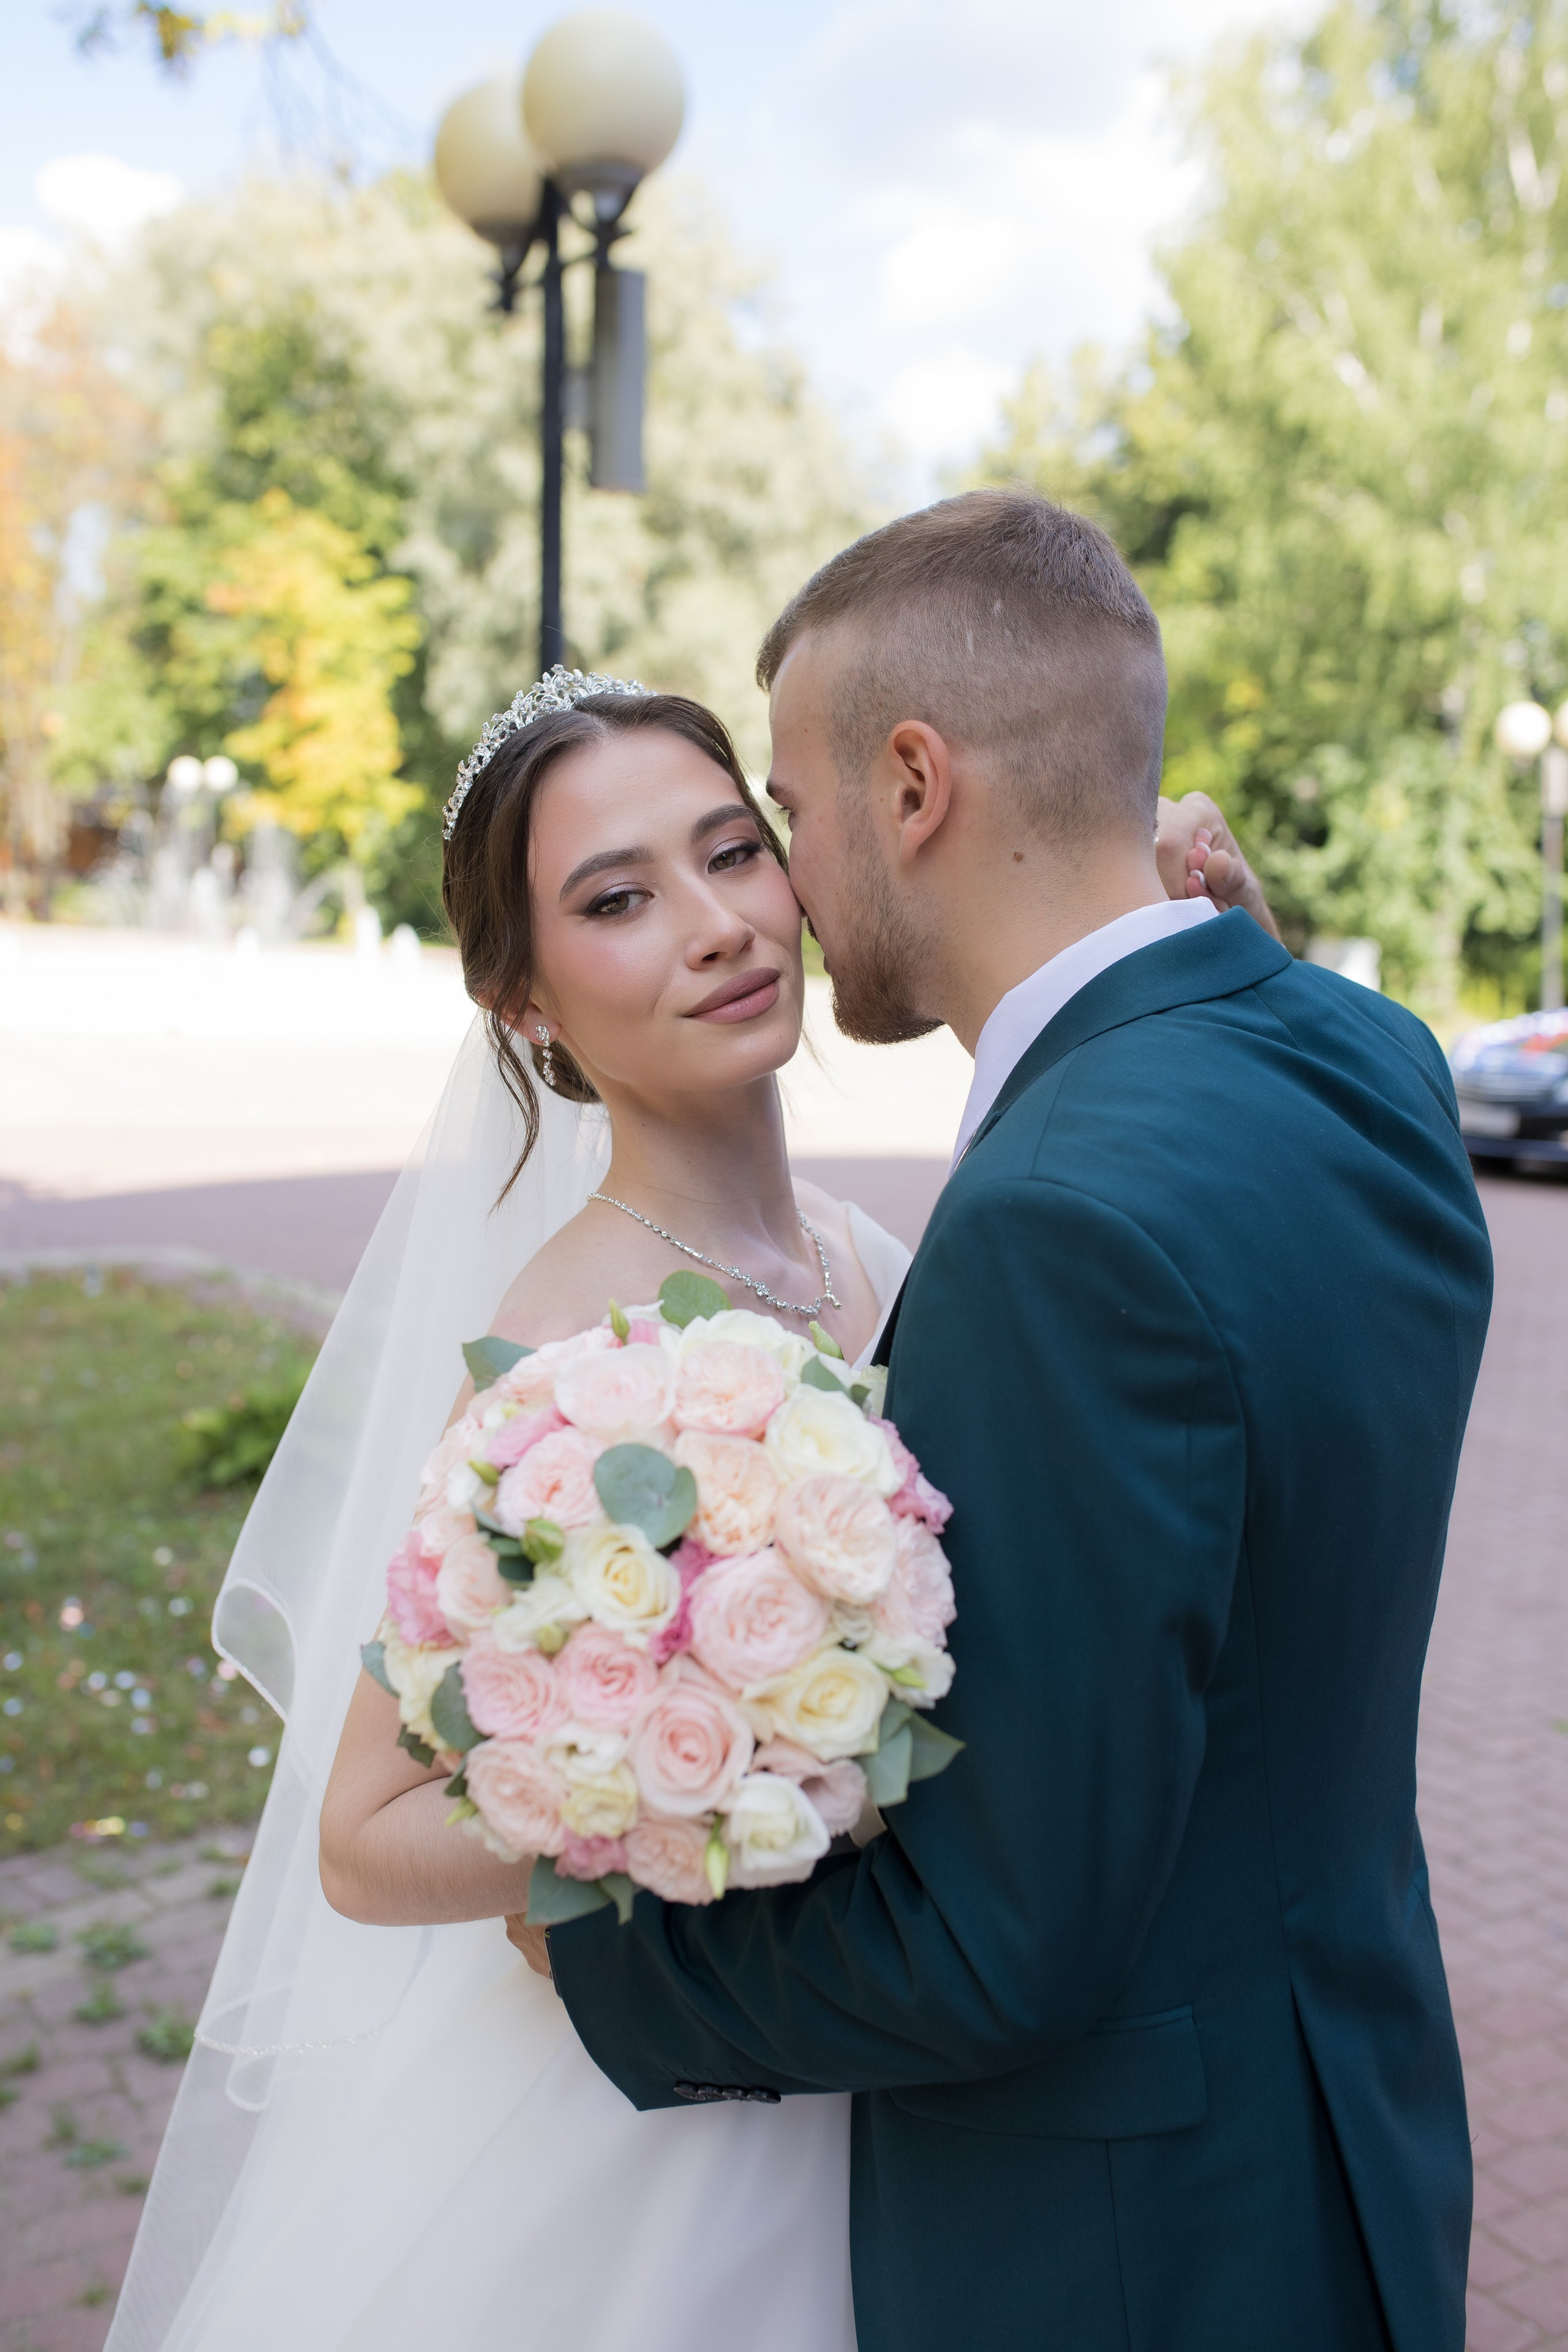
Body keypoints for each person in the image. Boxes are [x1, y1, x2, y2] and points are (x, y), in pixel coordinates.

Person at [104, 603, 1272, 2351]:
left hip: (898, 2062)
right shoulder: (562, 1347)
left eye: (736, 850)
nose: (717, 925)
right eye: (618, 899)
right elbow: (364, 1833)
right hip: (657, 2138)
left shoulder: (890, 1258)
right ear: (526, 1001)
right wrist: (701, 1783)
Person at [516, 494, 1494, 2352]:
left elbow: (1002, 1939)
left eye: (782, 817)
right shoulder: (1365, 1060)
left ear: (911, 787)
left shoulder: (1057, 1223)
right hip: (1353, 2124)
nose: (779, 892)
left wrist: (591, 1953)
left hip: (1129, 2239)